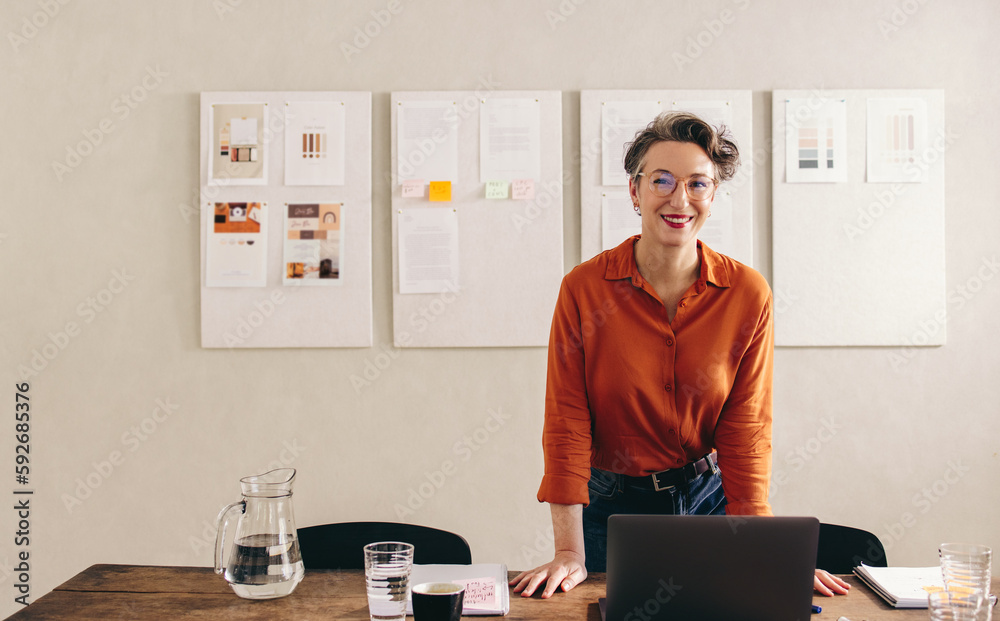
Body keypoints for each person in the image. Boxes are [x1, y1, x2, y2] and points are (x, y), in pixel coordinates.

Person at [509, 111, 849, 599]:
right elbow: (566, 420)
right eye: (661, 180)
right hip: (610, 507)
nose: (679, 198)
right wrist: (569, 550)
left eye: (698, 183)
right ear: (634, 191)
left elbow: (746, 427)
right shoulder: (583, 290)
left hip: (710, 502)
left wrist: (762, 547)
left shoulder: (746, 294)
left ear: (712, 196)